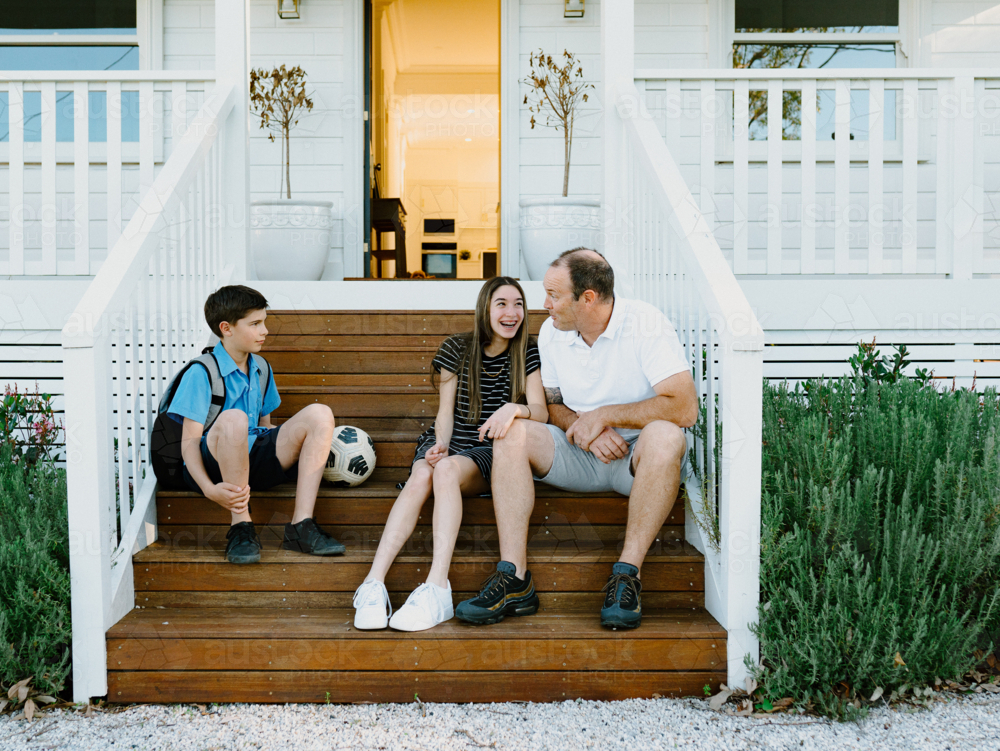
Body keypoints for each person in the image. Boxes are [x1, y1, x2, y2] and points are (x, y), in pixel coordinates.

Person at [455, 249, 698, 629]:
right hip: (578, 451)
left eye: (554, 295)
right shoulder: (554, 332)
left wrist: (604, 417)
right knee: (512, 434)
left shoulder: (646, 323)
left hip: (637, 459)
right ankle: (514, 579)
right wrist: (587, 430)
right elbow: (552, 405)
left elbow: (684, 407)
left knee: (667, 436)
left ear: (587, 298)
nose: (544, 305)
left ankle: (627, 575)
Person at [353, 277, 548, 631]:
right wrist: (440, 445)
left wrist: (513, 409)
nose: (511, 312)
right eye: (501, 303)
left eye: (518, 303)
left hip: (490, 450)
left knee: (444, 473)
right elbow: (444, 412)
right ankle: (372, 583)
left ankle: (437, 586)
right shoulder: (456, 348)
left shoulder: (527, 351)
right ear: (485, 308)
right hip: (450, 439)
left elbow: (541, 411)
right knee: (424, 473)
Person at [161, 285, 344, 564]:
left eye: (264, 322)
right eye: (255, 324)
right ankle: (241, 526)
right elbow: (188, 446)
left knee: (320, 413)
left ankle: (301, 526)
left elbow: (264, 427)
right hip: (214, 466)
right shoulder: (201, 372)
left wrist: (308, 444)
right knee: (235, 418)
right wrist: (210, 490)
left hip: (253, 458)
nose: (265, 331)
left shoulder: (261, 367)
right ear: (226, 328)